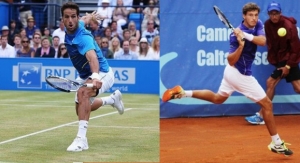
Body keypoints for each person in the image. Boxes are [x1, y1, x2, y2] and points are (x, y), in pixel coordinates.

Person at [162, 3, 293, 156]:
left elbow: (263, 41)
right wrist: (241, 47)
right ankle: (276, 143)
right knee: (267, 105)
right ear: (244, 16)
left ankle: (183, 93)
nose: (254, 18)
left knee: (218, 99)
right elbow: (231, 60)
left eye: (256, 15)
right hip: (238, 73)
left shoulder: (257, 24)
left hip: (232, 74)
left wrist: (246, 36)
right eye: (250, 15)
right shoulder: (234, 35)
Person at [61, 2, 124, 152]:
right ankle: (111, 100)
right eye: (67, 17)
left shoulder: (83, 37)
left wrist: (95, 76)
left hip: (102, 72)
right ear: (62, 19)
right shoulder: (75, 25)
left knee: (83, 93)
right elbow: (86, 18)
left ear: (76, 18)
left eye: (73, 17)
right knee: (81, 108)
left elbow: (92, 57)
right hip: (85, 75)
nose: (70, 20)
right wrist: (92, 16)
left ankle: (81, 140)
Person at [245, 2, 300, 125]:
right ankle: (261, 115)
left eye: (276, 13)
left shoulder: (289, 26)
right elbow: (271, 44)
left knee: (270, 82)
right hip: (280, 60)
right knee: (297, 88)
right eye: (271, 13)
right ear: (268, 14)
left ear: (280, 13)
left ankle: (261, 115)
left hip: (289, 60)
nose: (274, 16)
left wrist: (288, 66)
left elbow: (296, 49)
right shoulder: (268, 25)